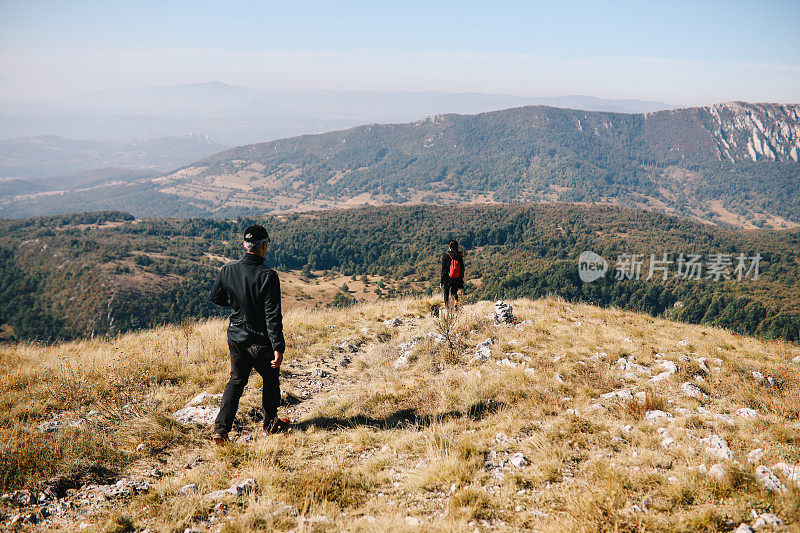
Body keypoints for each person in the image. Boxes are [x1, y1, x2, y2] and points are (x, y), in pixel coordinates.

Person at [210, 224, 288, 444]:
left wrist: (237, 304)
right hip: (258, 340)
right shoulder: (268, 276)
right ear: (263, 246)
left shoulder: (228, 269)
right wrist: (278, 346)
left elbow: (216, 298)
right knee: (271, 379)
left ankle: (221, 429)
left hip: (235, 336)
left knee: (236, 380)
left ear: (245, 245)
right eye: (267, 245)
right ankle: (270, 425)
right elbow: (273, 315)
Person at [440, 240, 465, 308]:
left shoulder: (445, 256)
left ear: (449, 246)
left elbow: (443, 270)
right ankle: (456, 302)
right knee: (454, 292)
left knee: (446, 293)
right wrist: (461, 278)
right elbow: (462, 268)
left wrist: (442, 281)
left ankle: (447, 307)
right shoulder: (459, 256)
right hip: (456, 277)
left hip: (447, 278)